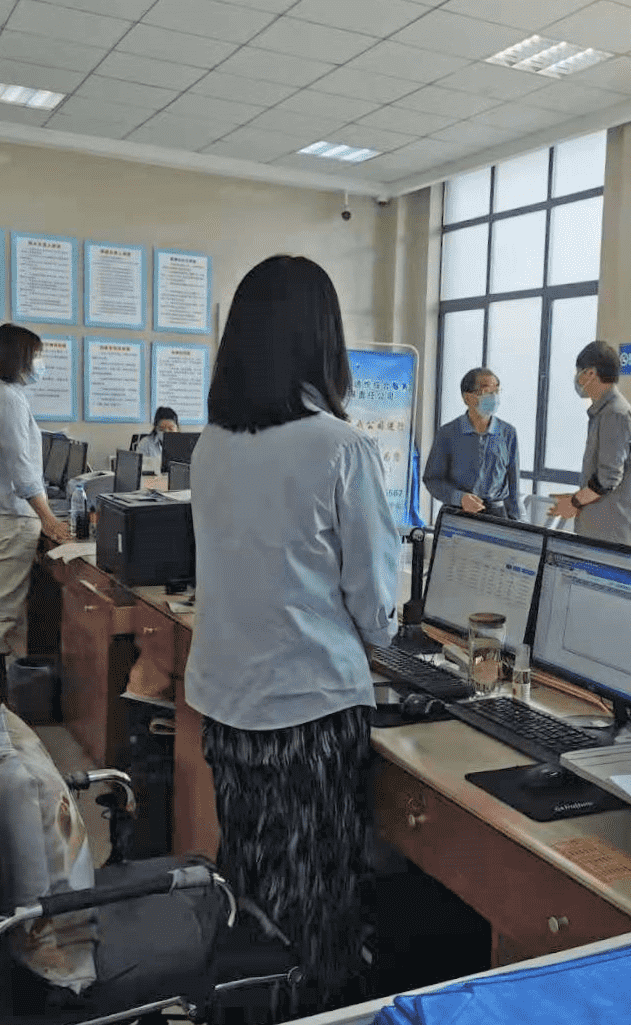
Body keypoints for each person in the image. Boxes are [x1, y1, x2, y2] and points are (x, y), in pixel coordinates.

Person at [185, 255, 399, 1014]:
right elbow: (375, 605)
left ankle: (249, 998)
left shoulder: (210, 444)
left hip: (227, 702)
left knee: (252, 875)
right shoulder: (340, 447)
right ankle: (315, 1004)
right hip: (310, 712)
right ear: (322, 341)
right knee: (317, 893)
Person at [0, 324, 73, 653]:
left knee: (12, 612)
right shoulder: (7, 401)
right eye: (37, 356)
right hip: (10, 518)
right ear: (19, 358)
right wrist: (49, 519)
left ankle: (9, 676)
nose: (41, 363)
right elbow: (23, 470)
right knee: (0, 610)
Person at [550, 341, 631, 546]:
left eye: (579, 372)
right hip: (599, 531)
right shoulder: (603, 412)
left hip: (609, 535)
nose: (577, 379)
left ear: (591, 373)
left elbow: (607, 479)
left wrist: (574, 502)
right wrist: (574, 498)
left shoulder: (615, 414)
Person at [422, 366, 521, 519]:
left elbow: (513, 485)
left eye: (496, 391)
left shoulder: (508, 433)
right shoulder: (448, 433)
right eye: (487, 391)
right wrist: (459, 498)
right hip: (457, 513)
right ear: (467, 398)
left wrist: (516, 522)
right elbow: (433, 480)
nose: (494, 397)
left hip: (496, 516)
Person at [135, 405, 179, 473]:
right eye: (162, 429)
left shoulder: (184, 444)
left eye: (170, 428)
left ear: (177, 428)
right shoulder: (145, 443)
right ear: (156, 428)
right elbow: (138, 467)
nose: (166, 432)